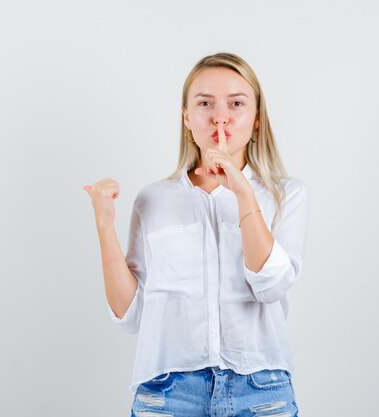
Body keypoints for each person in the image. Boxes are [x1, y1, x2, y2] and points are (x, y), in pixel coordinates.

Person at [83, 52, 309, 417]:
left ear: (255, 119)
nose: (220, 116)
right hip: (168, 393)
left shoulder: (286, 195)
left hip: (261, 390)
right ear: (187, 117)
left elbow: (270, 285)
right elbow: (131, 314)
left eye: (236, 103)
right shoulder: (153, 200)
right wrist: (104, 224)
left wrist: (243, 193)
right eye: (205, 103)